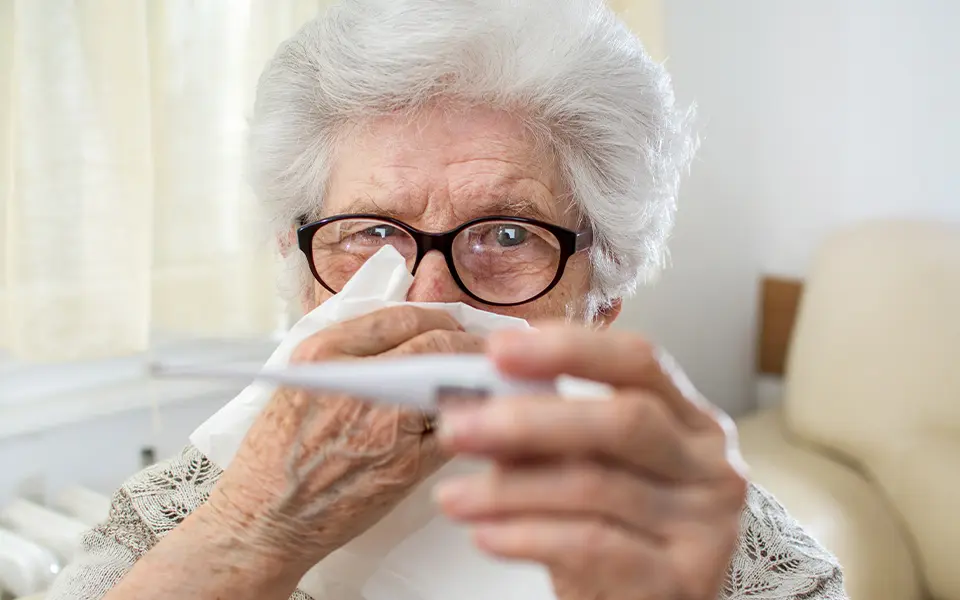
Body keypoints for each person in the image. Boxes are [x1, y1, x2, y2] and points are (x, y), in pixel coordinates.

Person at [49, 0, 847, 598]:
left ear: (599, 301)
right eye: (369, 234)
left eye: (506, 237)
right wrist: (252, 531)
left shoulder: (730, 556)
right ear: (298, 273)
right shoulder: (181, 514)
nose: (427, 302)